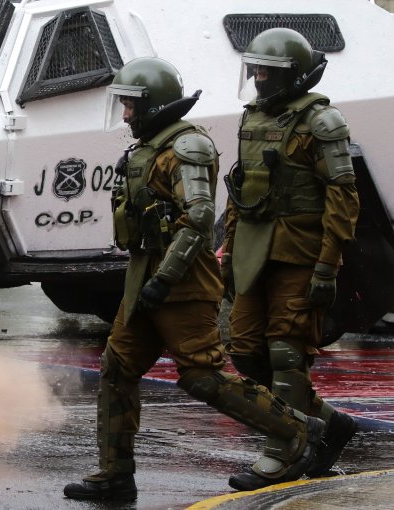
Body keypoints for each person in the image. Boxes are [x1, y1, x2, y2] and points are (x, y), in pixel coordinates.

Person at [62, 57, 325, 501]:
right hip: (143, 275)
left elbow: (200, 216)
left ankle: (299, 430)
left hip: (181, 282)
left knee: (202, 376)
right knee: (116, 369)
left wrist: (165, 279)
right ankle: (114, 474)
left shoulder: (187, 147)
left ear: (154, 104)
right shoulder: (150, 146)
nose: (126, 115)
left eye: (131, 105)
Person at [221, 28, 360, 490]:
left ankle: (283, 451)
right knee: (245, 352)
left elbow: (343, 196)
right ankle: (325, 423)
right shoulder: (253, 119)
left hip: (300, 255)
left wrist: (328, 265)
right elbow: (241, 191)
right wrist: (229, 250)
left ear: (293, 75)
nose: (259, 78)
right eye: (255, 69)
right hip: (253, 254)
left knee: (286, 353)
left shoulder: (322, 122)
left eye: (269, 71)